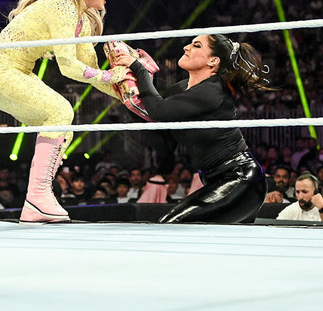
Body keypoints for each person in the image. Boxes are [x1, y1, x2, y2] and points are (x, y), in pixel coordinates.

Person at [0, 0, 129, 223]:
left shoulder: (80, 16)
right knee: (60, 110)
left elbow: (91, 72)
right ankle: (37, 195)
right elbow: (69, 67)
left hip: (15, 73)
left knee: (62, 126)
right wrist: (110, 75)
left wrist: (128, 94)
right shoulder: (63, 5)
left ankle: (37, 199)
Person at [113, 34, 271, 223]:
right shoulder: (180, 90)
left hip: (241, 179)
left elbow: (158, 110)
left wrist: (140, 70)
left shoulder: (213, 91)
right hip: (215, 180)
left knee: (172, 224)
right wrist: (130, 103)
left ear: (213, 61)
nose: (186, 47)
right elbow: (165, 145)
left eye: (196, 45)